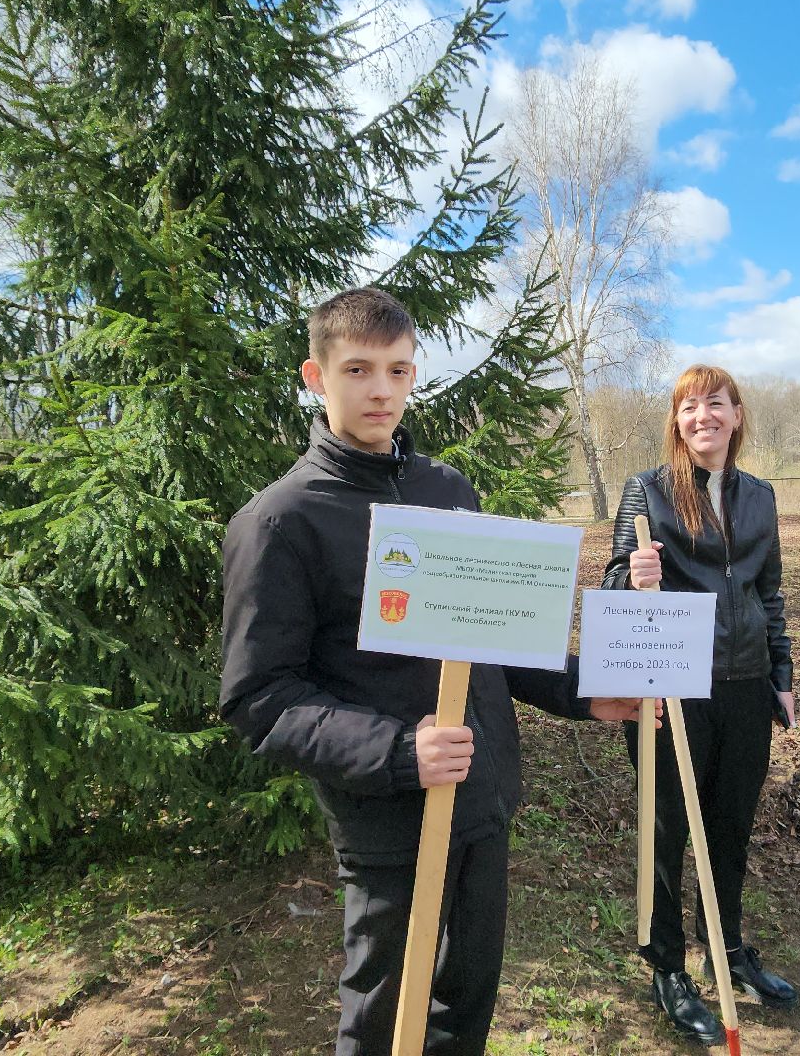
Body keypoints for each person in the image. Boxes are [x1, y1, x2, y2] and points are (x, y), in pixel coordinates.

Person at [218, 288, 646, 1055]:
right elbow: (260, 699)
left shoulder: (445, 492)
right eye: (358, 369)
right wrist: (395, 751)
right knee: (385, 1019)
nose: (380, 389)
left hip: (482, 802)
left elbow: (493, 639)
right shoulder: (280, 521)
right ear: (316, 377)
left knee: (465, 1005)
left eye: (397, 370)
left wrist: (586, 690)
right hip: (388, 821)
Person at [602, 364, 797, 1044]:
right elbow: (614, 582)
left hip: (744, 689)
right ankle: (667, 968)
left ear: (737, 415)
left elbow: (768, 594)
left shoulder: (760, 496)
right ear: (677, 421)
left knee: (730, 828)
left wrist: (782, 675)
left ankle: (728, 948)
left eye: (715, 403)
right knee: (666, 833)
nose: (702, 416)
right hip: (671, 690)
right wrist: (634, 574)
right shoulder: (647, 492)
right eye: (689, 406)